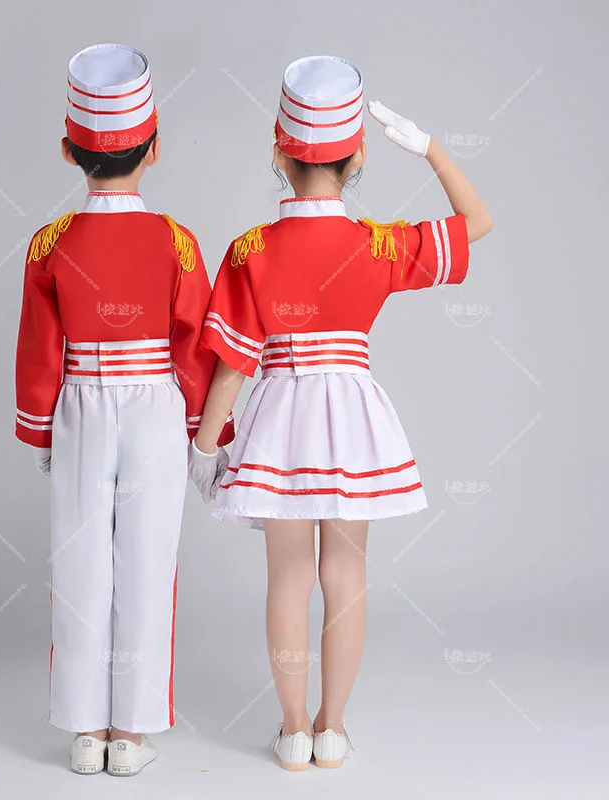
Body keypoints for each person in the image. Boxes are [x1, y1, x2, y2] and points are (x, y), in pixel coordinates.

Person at [188, 55, 492, 771]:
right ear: (357, 155)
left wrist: (205, 449)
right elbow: (476, 221)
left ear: (277, 151)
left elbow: (232, 364)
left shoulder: (251, 250)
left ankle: (292, 729)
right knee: (345, 577)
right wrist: (430, 148)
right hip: (353, 418)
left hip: (282, 416)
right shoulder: (377, 244)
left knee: (287, 578)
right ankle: (332, 727)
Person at [15, 42, 233, 777]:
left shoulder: (49, 245)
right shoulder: (177, 242)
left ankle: (85, 728)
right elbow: (196, 348)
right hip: (154, 409)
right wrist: (208, 434)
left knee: (78, 561)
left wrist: (43, 429)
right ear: (157, 147)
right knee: (147, 560)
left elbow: (40, 350)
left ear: (68, 151)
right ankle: (132, 732)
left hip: (79, 401)